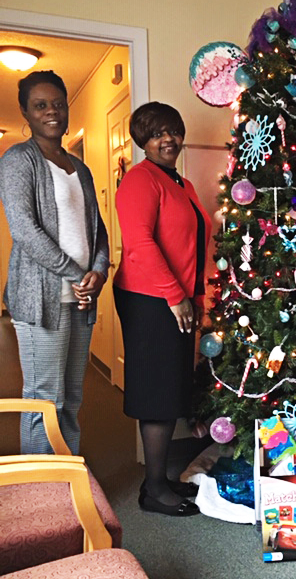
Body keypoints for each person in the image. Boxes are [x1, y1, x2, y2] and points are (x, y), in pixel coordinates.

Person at [0, 70, 109, 455]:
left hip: (80, 299)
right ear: (25, 113)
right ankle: (41, 489)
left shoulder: (80, 168)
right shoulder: (18, 160)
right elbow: (25, 231)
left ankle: (67, 479)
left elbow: (98, 230)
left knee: (72, 397)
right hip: (39, 299)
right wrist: (79, 273)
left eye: (58, 104)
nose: (52, 112)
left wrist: (98, 271)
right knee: (44, 400)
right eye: (40, 105)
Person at [113, 101, 211, 517]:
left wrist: (197, 298)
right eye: (155, 133)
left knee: (169, 388)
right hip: (151, 299)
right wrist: (175, 297)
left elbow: (194, 246)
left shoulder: (182, 184)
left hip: (176, 298)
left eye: (172, 129)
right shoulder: (140, 181)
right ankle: (152, 490)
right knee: (156, 391)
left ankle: (160, 479)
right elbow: (140, 245)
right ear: (142, 141)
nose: (166, 139)